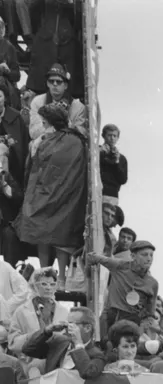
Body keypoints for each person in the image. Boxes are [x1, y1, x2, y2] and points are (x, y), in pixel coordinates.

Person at [15, 101, 87, 286]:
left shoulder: (72, 141)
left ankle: (61, 277)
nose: (43, 125)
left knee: (62, 233)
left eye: (45, 121)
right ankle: (44, 272)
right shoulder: (48, 140)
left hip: (66, 194)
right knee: (39, 226)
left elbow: (64, 167)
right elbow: (36, 166)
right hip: (45, 193)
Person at [87, 238, 158, 332]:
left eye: (151, 255)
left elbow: (150, 313)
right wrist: (89, 269)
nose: (149, 259)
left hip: (133, 322)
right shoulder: (120, 265)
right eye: (144, 255)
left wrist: (144, 326)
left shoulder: (153, 283)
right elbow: (92, 257)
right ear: (133, 256)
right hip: (112, 317)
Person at [28, 63, 85, 150]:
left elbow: (82, 133)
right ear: (47, 83)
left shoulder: (78, 107)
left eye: (59, 82)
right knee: (33, 144)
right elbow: (33, 132)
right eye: (51, 81)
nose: (55, 84)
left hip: (68, 145)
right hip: (45, 143)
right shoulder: (37, 102)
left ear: (65, 85)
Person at [99, 123, 128, 198]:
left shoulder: (122, 158)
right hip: (97, 192)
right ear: (103, 136)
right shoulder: (97, 152)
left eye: (114, 136)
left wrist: (117, 163)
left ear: (118, 138)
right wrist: (100, 154)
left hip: (112, 196)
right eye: (109, 135)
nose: (112, 138)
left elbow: (123, 180)